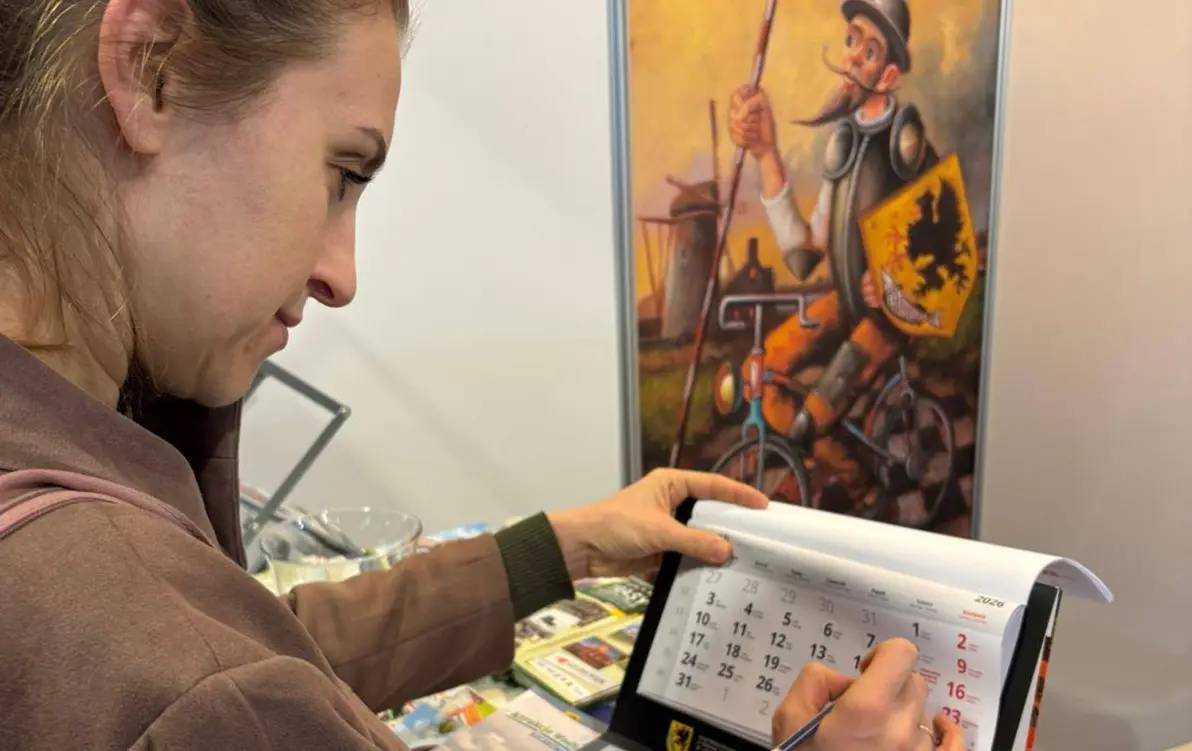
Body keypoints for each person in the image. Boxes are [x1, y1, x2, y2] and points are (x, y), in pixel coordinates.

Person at [0, 1, 960, 748]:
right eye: (344, 172)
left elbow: (268, 644)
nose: (342, 275)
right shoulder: (180, 680)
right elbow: (226, 678)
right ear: (152, 68)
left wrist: (563, 549)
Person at [728, 0, 938, 497]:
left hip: (890, 318)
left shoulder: (906, 142)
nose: (851, 58)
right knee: (757, 375)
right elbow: (806, 253)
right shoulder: (842, 143)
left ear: (889, 75)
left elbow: (937, 227)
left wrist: (893, 278)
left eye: (869, 51)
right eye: (851, 41)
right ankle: (838, 470)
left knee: (808, 421)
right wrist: (766, 154)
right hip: (844, 302)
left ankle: (863, 490)